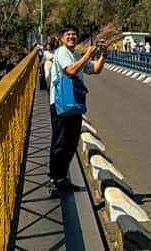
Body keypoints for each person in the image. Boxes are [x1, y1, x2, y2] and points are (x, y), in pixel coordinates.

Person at [48, 27, 104, 197]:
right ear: (62, 38)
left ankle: (62, 179)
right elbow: (71, 71)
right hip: (60, 104)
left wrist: (103, 55)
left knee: (71, 142)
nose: (72, 37)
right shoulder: (61, 53)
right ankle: (54, 180)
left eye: (74, 34)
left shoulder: (77, 56)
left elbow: (94, 69)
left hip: (75, 104)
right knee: (60, 142)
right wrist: (88, 54)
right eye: (68, 35)